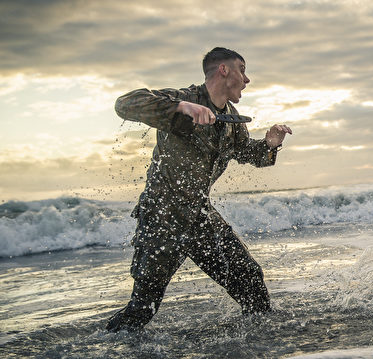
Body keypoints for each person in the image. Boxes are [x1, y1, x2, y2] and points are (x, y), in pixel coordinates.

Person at [106, 47, 292, 332]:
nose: (247, 79)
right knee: (142, 308)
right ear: (224, 70)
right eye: (242, 69)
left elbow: (246, 153)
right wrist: (182, 108)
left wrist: (269, 144)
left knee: (251, 282)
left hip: (199, 216)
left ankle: (257, 343)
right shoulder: (184, 99)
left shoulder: (231, 118)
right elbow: (125, 104)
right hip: (163, 218)